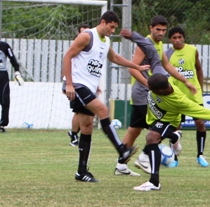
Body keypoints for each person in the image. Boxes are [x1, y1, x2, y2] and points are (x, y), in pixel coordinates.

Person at [62, 10, 150, 183]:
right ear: (103, 22)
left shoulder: (106, 41)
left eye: (115, 28)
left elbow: (115, 57)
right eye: (111, 27)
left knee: (86, 127)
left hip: (88, 87)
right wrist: (70, 84)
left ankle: (81, 172)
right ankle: (121, 149)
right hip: (77, 85)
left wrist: (136, 66)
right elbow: (68, 56)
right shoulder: (87, 36)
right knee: (102, 109)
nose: (112, 31)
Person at [131, 73, 210, 191]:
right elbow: (172, 72)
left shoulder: (180, 101)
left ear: (161, 90)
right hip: (154, 119)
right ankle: (174, 137)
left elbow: (204, 112)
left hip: (167, 121)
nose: (149, 90)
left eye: (151, 89)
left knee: (151, 138)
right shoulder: (166, 81)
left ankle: (154, 182)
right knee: (154, 135)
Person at [115, 16, 196, 176]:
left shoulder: (158, 45)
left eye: (163, 30)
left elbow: (166, 66)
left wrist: (185, 81)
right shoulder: (144, 45)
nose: (161, 33)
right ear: (150, 28)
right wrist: (150, 85)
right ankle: (146, 157)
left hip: (148, 93)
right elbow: (133, 69)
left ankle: (121, 165)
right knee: (162, 125)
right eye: (157, 29)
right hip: (144, 94)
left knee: (134, 131)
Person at [165, 26, 209, 167]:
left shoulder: (192, 50)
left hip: (193, 94)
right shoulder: (167, 55)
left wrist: (200, 88)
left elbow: (199, 69)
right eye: (174, 38)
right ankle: (174, 158)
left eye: (180, 37)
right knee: (176, 127)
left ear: (184, 37)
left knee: (200, 123)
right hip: (177, 95)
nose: (177, 40)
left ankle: (200, 155)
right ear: (170, 39)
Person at [67, 23, 91, 146]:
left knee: (82, 112)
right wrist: (67, 83)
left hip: (87, 85)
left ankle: (75, 134)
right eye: (82, 32)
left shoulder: (89, 48)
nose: (85, 35)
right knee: (78, 111)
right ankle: (74, 135)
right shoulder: (76, 48)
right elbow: (68, 62)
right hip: (76, 84)